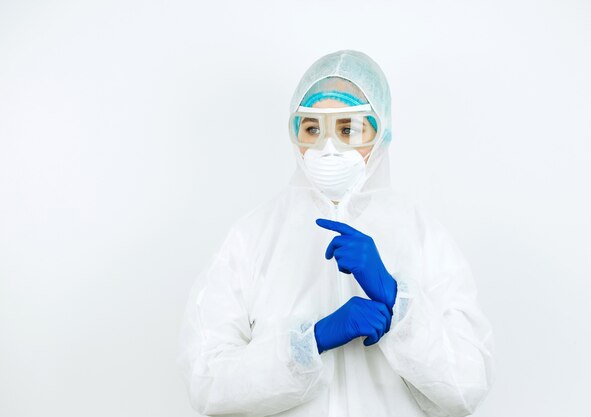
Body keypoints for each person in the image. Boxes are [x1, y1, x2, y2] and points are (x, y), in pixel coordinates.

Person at [176, 50, 495, 417]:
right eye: (313, 128)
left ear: (382, 132)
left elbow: (467, 386)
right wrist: (310, 342)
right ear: (295, 133)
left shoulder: (422, 236)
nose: (328, 148)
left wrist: (398, 301)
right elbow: (207, 385)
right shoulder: (252, 239)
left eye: (349, 129)